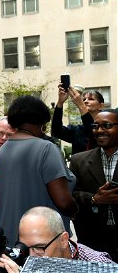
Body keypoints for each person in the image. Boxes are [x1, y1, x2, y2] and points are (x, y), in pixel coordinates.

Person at [0, 95, 78, 245]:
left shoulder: (3, 150)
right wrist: (77, 210)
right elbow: (63, 202)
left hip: (9, 237)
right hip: (40, 241)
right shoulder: (46, 148)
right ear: (41, 123)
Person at [0, 207, 114, 272]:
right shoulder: (21, 260)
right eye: (24, 248)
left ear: (63, 240)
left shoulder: (99, 265)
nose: (30, 256)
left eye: (39, 248)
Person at [70, 109, 118, 262]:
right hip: (93, 240)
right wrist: (94, 199)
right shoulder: (78, 160)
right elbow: (70, 195)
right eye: (95, 126)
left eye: (106, 125)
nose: (99, 130)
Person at [51, 85, 104, 154]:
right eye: (84, 99)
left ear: (101, 106)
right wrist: (60, 103)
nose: (85, 101)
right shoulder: (77, 130)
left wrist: (81, 105)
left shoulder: (107, 128)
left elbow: (93, 132)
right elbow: (56, 131)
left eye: (91, 99)